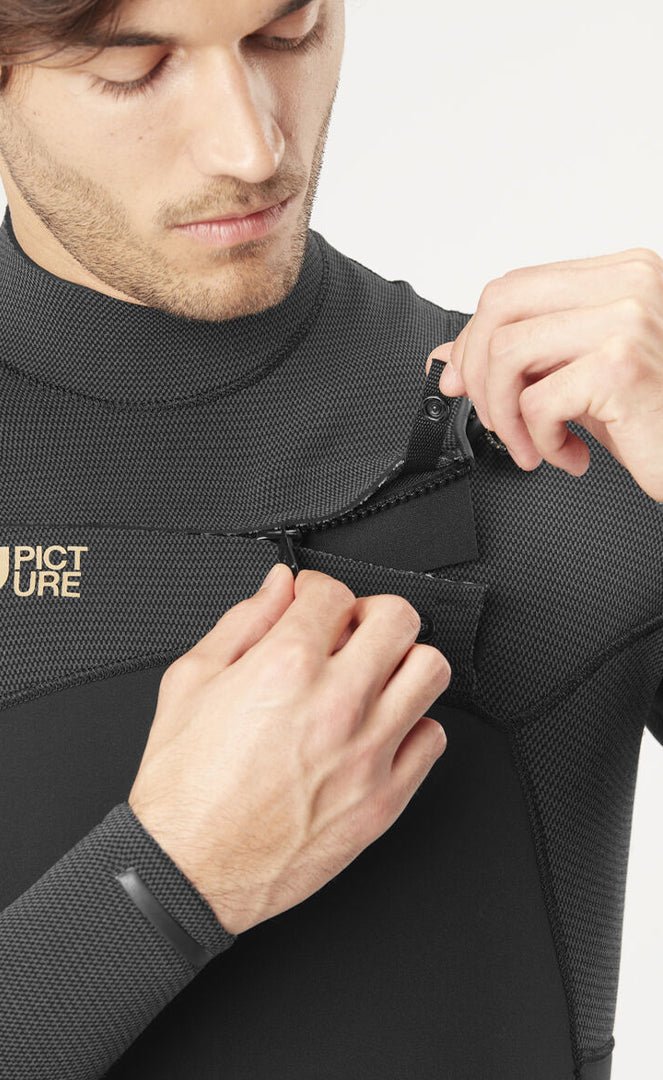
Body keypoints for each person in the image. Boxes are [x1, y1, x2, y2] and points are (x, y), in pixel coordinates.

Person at [0, 2, 660, 1078]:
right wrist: (169, 883)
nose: (253, 148)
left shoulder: (581, 449)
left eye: (286, 33)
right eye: (135, 67)